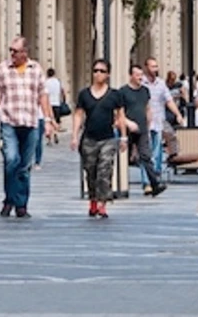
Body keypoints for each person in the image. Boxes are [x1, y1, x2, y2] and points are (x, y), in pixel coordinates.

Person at [0, 36, 57, 218]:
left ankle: (21, 204)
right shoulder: (3, 68)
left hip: (31, 122)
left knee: (24, 166)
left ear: (25, 52)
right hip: (9, 121)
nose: (12, 54)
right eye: (11, 50)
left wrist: (48, 120)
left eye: (15, 51)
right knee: (11, 160)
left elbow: (43, 95)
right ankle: (9, 198)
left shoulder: (36, 69)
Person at [71, 58, 128, 218]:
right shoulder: (84, 94)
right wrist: (74, 136)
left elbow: (120, 116)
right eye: (95, 70)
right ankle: (93, 201)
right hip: (89, 138)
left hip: (108, 138)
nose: (98, 74)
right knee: (90, 171)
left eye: (102, 71)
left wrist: (123, 137)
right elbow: (78, 115)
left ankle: (103, 204)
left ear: (108, 74)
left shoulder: (115, 95)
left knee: (105, 169)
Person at [119, 63, 166, 197]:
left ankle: (154, 184)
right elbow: (119, 113)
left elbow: (147, 108)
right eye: (137, 75)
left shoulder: (145, 91)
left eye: (141, 75)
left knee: (146, 156)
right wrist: (127, 124)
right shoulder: (123, 92)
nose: (140, 77)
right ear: (131, 76)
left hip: (142, 129)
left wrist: (149, 124)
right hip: (127, 129)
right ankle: (114, 184)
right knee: (123, 158)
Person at [143, 57, 185, 180]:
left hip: (158, 121)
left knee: (157, 151)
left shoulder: (161, 83)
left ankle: (155, 176)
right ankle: (147, 181)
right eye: (152, 66)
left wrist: (178, 114)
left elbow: (169, 101)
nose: (155, 69)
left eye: (156, 66)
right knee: (146, 151)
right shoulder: (141, 83)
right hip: (144, 122)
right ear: (146, 67)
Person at [45, 67, 65, 136]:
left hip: (48, 104)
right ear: (54, 74)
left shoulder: (46, 82)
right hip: (57, 103)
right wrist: (63, 99)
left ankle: (50, 138)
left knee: (50, 120)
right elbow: (62, 91)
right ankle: (55, 133)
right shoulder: (58, 81)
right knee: (56, 119)